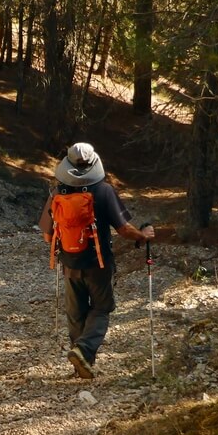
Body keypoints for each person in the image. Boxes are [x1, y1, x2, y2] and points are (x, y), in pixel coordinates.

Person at [39, 142, 155, 379]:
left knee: (76, 313)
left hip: (69, 263)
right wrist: (142, 236)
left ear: (68, 164)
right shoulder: (103, 191)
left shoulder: (57, 192)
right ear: (94, 163)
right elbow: (123, 229)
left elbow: (47, 235)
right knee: (101, 308)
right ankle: (84, 350)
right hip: (99, 264)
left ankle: (81, 364)